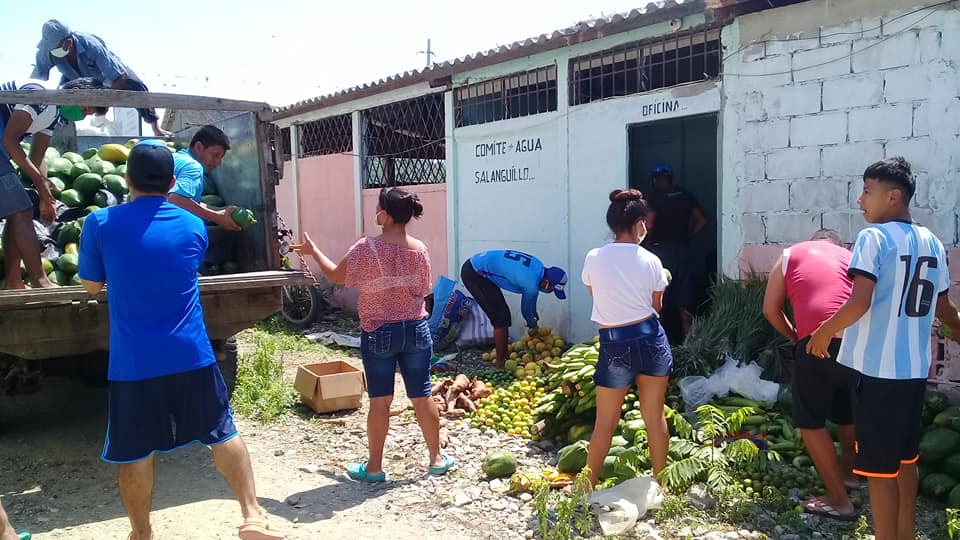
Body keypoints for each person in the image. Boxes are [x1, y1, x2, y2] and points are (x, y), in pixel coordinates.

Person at [77, 143, 283, 540]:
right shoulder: (192, 226)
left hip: (135, 363)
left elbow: (90, 285)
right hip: (192, 354)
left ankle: (142, 533)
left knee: (135, 453)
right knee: (222, 432)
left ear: (127, 179)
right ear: (173, 181)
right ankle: (252, 514)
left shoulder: (100, 223)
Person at [807, 157, 960, 540]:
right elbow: (945, 308)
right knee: (906, 460)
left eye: (867, 191)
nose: (860, 200)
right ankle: (906, 534)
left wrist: (824, 332)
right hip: (913, 371)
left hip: (878, 373)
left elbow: (859, 302)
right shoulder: (932, 242)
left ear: (893, 196)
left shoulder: (873, 238)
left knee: (878, 471)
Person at [291, 187, 454, 481]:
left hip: (379, 331)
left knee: (380, 401)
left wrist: (314, 251)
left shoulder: (367, 247)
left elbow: (337, 276)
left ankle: (375, 468)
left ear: (386, 215)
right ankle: (436, 459)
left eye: (378, 208)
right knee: (422, 395)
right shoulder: (420, 249)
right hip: (416, 330)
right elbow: (423, 289)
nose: (376, 212)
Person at [762, 228, 860, 521]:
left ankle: (840, 502)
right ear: (837, 245)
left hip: (817, 341)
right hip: (856, 345)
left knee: (810, 423)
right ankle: (851, 476)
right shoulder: (851, 257)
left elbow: (770, 309)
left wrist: (795, 337)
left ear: (813, 241)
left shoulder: (791, 254)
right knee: (848, 414)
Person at [580, 189, 672, 486]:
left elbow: (596, 295)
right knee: (654, 418)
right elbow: (657, 306)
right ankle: (662, 487)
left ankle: (585, 490)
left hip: (614, 342)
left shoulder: (594, 257)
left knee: (605, 423)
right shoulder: (652, 260)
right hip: (651, 338)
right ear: (639, 223)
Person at [0, 77, 104, 290]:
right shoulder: (41, 96)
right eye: (85, 109)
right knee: (21, 210)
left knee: (17, 210)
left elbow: (37, 155)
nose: (84, 116)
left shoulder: (54, 114)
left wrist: (45, 193)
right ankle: (40, 281)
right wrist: (39, 182)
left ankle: (13, 282)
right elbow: (10, 140)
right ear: (75, 91)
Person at [31, 19, 170, 137]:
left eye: (55, 47)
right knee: (59, 98)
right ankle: (56, 129)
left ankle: (156, 128)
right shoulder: (46, 52)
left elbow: (119, 76)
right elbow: (35, 83)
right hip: (73, 77)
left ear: (69, 42)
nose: (52, 51)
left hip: (108, 76)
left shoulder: (91, 46)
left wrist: (104, 103)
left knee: (135, 85)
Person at [460, 250, 568, 368]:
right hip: (474, 273)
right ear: (546, 282)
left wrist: (532, 313)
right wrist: (533, 325)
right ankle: (501, 363)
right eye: (551, 289)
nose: (549, 291)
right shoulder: (530, 285)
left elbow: (530, 305)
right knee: (501, 318)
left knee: (503, 315)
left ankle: (505, 356)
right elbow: (526, 311)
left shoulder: (538, 267)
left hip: (478, 263)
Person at [644, 163, 707, 342]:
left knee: (659, 297)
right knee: (685, 297)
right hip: (683, 250)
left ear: (654, 180)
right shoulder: (685, 195)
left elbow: (649, 223)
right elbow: (702, 220)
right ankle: (689, 344)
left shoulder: (654, 197)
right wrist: (688, 236)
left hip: (661, 251)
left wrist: (646, 244)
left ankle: (660, 343)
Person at [143, 126, 240, 231]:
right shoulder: (194, 167)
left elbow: (188, 200)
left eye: (221, 158)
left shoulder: (176, 157)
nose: (218, 163)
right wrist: (216, 217)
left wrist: (220, 211)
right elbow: (175, 199)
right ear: (198, 147)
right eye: (215, 155)